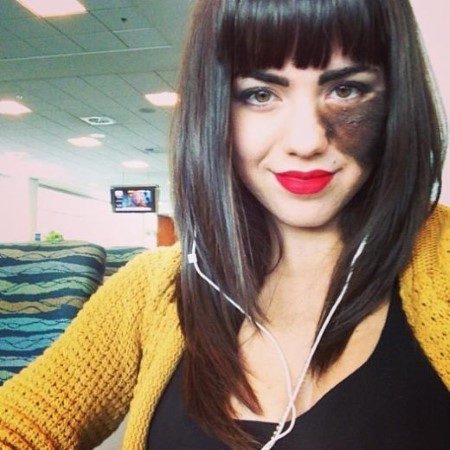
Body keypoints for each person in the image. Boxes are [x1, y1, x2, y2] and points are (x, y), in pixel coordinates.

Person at [0, 0, 449, 449]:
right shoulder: (152, 289)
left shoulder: (441, 265)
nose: (306, 141)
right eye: (260, 94)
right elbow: (22, 425)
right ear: (214, 107)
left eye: (346, 90)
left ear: (395, 99)